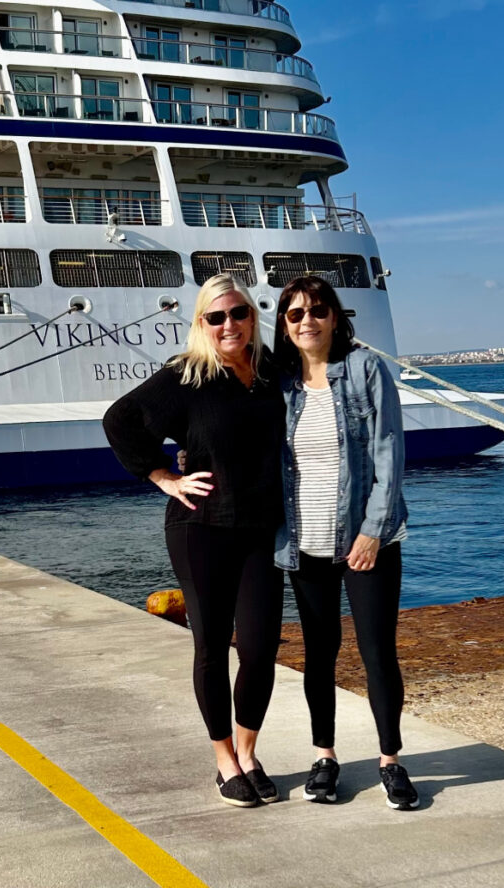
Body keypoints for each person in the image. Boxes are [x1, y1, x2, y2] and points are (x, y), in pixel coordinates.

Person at [103, 274, 285, 808]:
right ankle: (225, 761)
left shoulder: (271, 371)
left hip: (260, 529)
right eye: (216, 316)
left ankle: (250, 752)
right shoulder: (187, 375)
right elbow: (119, 421)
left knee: (259, 649)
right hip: (199, 527)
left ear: (252, 316)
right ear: (202, 322)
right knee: (211, 647)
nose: (229, 324)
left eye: (238, 313)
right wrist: (164, 476)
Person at [273, 275, 418, 811]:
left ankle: (390, 761)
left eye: (316, 310)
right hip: (303, 544)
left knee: (378, 651)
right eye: (294, 314)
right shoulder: (281, 384)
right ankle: (325, 757)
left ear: (335, 317)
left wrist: (372, 532)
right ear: (284, 326)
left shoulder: (366, 370)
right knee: (319, 654)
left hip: (366, 541)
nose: (306, 320)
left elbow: (390, 456)